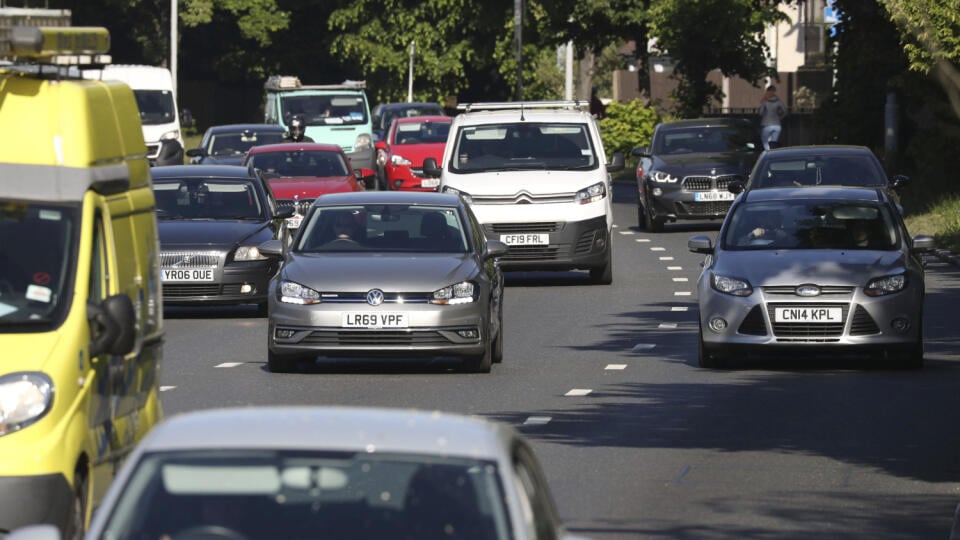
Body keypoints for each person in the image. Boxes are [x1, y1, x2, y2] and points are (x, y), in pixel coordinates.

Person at [757, 85, 786, 150]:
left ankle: (768, 153)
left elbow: (760, 112)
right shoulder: (778, 101)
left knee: (764, 141)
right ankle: (773, 152)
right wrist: (780, 117)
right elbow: (784, 111)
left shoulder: (765, 101)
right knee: (773, 142)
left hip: (766, 124)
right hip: (777, 124)